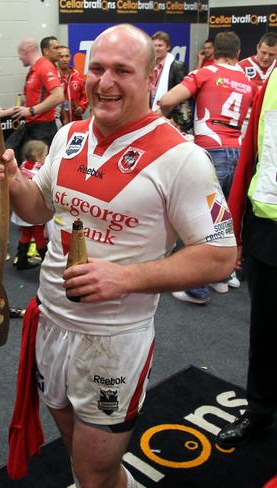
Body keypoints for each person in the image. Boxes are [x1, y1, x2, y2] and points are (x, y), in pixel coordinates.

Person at [0, 24, 236, 487]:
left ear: (152, 74)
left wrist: (126, 278)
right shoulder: (69, 136)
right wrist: (13, 180)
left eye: (123, 70)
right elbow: (37, 207)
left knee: (95, 469)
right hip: (51, 326)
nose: (105, 82)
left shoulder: (182, 158)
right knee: (81, 459)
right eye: (97, 68)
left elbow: (219, 257)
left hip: (115, 341)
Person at [159, 31, 255, 303]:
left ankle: (197, 288)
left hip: (210, 152)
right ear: (238, 54)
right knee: (225, 219)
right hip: (238, 152)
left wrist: (163, 120)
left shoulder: (205, 72)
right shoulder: (249, 82)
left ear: (214, 52)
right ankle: (221, 278)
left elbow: (167, 100)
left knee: (202, 219)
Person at [216, 70, 277, 448]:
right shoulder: (273, 78)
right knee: (267, 331)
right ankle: (260, 411)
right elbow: (250, 156)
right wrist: (235, 232)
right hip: (268, 229)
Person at [5, 37, 63, 161]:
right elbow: (25, 104)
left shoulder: (44, 67)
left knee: (35, 169)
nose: (19, 57)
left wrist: (31, 111)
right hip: (31, 126)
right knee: (9, 152)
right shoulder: (32, 71)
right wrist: (2, 113)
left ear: (26, 51)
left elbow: (58, 96)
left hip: (43, 129)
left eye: (20, 53)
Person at [10, 140, 47, 270]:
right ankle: (46, 262)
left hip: (21, 210)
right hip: (34, 208)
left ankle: (21, 259)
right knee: (39, 236)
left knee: (26, 234)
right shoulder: (41, 170)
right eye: (45, 155)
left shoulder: (23, 165)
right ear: (38, 156)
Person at [150, 31, 190, 132]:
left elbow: (183, 98)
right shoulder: (147, 66)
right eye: (154, 45)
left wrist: (177, 121)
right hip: (150, 116)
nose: (157, 49)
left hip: (170, 119)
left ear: (168, 47)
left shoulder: (177, 66)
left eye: (160, 45)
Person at [56, 45, 88, 125]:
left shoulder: (78, 76)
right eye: (61, 56)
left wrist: (81, 107)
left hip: (76, 121)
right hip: (58, 122)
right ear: (57, 58)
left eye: (67, 56)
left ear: (70, 57)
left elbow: (85, 95)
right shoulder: (53, 76)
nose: (64, 59)